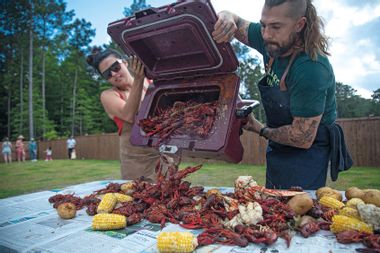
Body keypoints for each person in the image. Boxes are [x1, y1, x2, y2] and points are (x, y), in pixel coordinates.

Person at [213, 0, 352, 190]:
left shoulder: (311, 68)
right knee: (272, 199)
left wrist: (260, 128)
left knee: (296, 209)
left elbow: (301, 138)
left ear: (299, 25)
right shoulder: (271, 40)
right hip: (279, 140)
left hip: (308, 149)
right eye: (263, 25)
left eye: (276, 27)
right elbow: (236, 21)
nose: (267, 35)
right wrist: (227, 15)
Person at [86, 47, 169, 183]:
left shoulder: (153, 83)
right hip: (136, 164)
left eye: (115, 67)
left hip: (164, 156)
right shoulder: (108, 95)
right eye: (107, 74)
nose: (114, 74)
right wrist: (138, 78)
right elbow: (129, 114)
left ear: (125, 62)